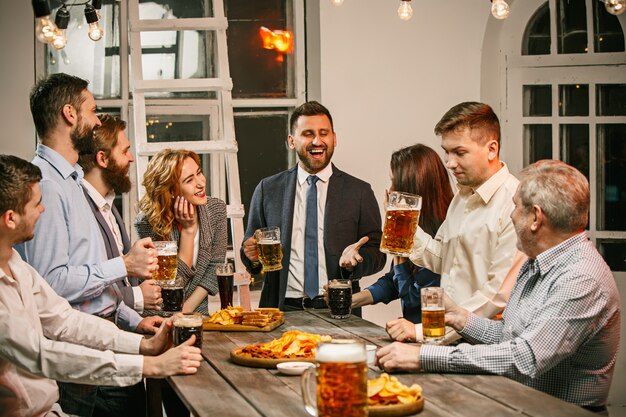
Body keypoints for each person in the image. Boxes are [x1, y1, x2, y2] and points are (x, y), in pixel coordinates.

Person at [376, 160, 621, 413]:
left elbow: (524, 357)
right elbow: (508, 333)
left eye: (515, 207)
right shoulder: (537, 261)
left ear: (535, 218)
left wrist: (422, 357)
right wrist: (462, 319)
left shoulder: (580, 278)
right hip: (521, 403)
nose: (511, 215)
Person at [0, 154, 203, 417]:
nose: (44, 210)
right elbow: (43, 355)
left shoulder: (16, 264)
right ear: (10, 218)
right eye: (37, 203)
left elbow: (65, 320)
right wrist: (149, 366)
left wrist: (144, 346)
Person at [15, 73, 162, 417]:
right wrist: (124, 265)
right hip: (82, 365)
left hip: (106, 339)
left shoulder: (73, 181)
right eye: (92, 110)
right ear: (70, 114)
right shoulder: (46, 185)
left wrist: (130, 318)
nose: (97, 121)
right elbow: (52, 286)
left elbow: (91, 282)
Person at [241, 101, 386, 313]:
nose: (317, 141)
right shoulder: (268, 189)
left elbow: (378, 253)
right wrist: (251, 257)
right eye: (308, 134)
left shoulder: (360, 192)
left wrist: (356, 263)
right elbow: (250, 250)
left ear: (334, 139)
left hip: (338, 309)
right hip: (281, 309)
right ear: (291, 141)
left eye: (323, 133)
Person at [393, 101, 521, 342]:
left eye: (459, 152)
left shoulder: (514, 203)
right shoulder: (462, 196)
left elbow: (496, 297)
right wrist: (406, 226)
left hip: (484, 343)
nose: (449, 162)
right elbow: (443, 258)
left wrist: (423, 331)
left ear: (491, 149)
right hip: (447, 336)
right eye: (447, 152)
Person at [350, 144, 453, 323]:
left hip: (436, 339)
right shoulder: (416, 227)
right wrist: (351, 300)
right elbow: (394, 281)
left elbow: (416, 301)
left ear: (413, 189)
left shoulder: (442, 235)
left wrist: (400, 262)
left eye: (394, 182)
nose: (389, 190)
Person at [79, 114, 162, 314]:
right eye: (125, 151)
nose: (131, 157)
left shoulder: (108, 202)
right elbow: (79, 286)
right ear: (103, 158)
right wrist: (135, 296)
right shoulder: (80, 208)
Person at [135, 149, 228, 315]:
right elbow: (167, 287)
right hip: (158, 316)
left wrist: (185, 311)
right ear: (171, 190)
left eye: (199, 173)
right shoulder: (148, 222)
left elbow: (215, 267)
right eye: (189, 180)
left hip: (197, 314)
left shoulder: (216, 210)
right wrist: (188, 231)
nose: (201, 183)